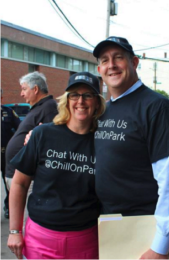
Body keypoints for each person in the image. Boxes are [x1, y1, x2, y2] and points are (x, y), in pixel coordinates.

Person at [93, 36, 169, 260]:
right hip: (111, 226)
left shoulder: (157, 107)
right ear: (99, 69)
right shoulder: (105, 110)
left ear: (134, 62)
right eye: (105, 60)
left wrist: (160, 246)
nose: (112, 65)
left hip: (145, 228)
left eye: (118, 58)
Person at [7, 72, 106, 260]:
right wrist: (14, 230)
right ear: (67, 100)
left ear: (97, 102)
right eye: (75, 95)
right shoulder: (43, 134)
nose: (81, 101)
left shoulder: (104, 141)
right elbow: (19, 184)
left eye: (88, 95)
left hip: (86, 241)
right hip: (40, 240)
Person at [5, 72, 58, 219]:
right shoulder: (39, 107)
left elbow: (52, 145)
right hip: (18, 175)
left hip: (28, 178)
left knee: (30, 221)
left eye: (24, 89)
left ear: (35, 89)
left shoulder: (49, 108)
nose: (21, 94)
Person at [0, 87, 21, 219]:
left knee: (9, 182)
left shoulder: (8, 112)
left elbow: (20, 129)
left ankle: (9, 207)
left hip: (4, 154)